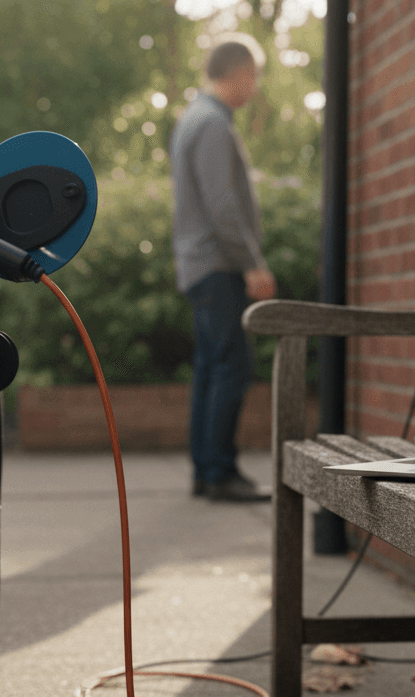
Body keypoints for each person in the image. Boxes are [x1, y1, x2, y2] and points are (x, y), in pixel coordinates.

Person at [170, 40, 277, 501]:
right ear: (238, 71)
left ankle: (206, 471)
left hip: (200, 265)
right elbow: (223, 205)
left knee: (211, 367)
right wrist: (252, 262)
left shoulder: (192, 119)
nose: (254, 87)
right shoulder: (213, 123)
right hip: (218, 264)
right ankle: (220, 473)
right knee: (232, 365)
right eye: (253, 76)